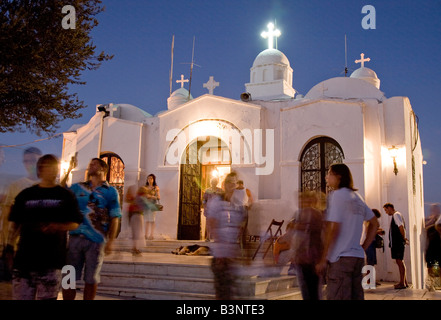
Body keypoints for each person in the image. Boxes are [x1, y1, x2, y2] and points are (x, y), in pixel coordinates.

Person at [5, 154, 83, 300]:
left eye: (53, 167)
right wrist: (9, 247)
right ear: (39, 170)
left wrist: (58, 226)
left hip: (51, 260)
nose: (49, 170)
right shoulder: (26, 195)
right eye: (46, 167)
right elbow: (15, 223)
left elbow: (76, 222)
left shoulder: (65, 195)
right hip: (25, 260)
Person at [316, 163, 379, 300]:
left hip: (341, 258)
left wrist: (323, 257)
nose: (326, 177)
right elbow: (374, 223)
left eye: (329, 173)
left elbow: (334, 228)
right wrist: (363, 247)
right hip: (357, 257)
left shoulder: (337, 195)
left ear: (338, 177)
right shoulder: (357, 198)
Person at [62, 158, 121, 300]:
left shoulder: (111, 192)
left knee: (91, 278)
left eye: (93, 164)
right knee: (68, 277)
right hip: (75, 237)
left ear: (103, 170)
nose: (90, 166)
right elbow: (61, 191)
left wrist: (111, 241)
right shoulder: (78, 187)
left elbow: (115, 217)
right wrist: (68, 169)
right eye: (90, 164)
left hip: (96, 240)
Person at [1, 147, 42, 280]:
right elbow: (7, 217)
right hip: (20, 243)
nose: (30, 164)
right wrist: (7, 242)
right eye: (27, 161)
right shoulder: (16, 186)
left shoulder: (49, 186)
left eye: (33, 161)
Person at [209, 172, 245, 299]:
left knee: (230, 292)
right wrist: (220, 253)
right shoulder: (216, 202)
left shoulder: (235, 204)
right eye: (229, 182)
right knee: (223, 293)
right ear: (224, 184)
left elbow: (238, 227)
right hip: (221, 256)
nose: (231, 185)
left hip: (231, 255)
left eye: (234, 183)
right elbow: (213, 225)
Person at [290, 191, 325, 300]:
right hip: (303, 257)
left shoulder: (313, 214)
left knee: (311, 291)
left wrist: (295, 226)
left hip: (310, 257)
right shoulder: (301, 213)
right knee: (309, 290)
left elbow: (308, 230)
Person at [383, 202, 409, 289]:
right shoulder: (397, 215)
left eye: (386, 210)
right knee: (400, 261)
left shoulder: (396, 215)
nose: (386, 212)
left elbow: (401, 227)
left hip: (398, 243)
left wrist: (404, 238)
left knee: (399, 261)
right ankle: (404, 282)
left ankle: (402, 283)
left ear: (390, 208)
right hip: (397, 243)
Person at [364, 209, 385, 286]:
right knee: (370, 262)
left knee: (371, 262)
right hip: (369, 243)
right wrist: (378, 231)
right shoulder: (369, 222)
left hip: (371, 243)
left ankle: (371, 280)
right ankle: (369, 281)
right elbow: (369, 232)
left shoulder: (369, 221)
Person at [125, 185, 145, 256]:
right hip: (136, 215)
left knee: (136, 232)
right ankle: (134, 248)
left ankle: (135, 248)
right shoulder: (139, 198)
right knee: (136, 232)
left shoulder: (137, 198)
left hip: (135, 215)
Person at [143, 174, 160, 240]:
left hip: (153, 204)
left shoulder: (156, 188)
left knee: (152, 220)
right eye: (148, 178)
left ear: (153, 179)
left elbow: (158, 197)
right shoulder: (145, 187)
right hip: (146, 205)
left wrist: (151, 197)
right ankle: (145, 234)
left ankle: (151, 235)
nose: (149, 180)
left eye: (151, 178)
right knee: (146, 220)